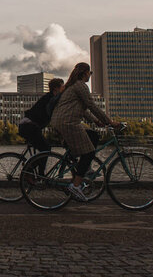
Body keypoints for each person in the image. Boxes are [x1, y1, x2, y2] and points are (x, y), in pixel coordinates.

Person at [50, 62, 120, 201]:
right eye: (90, 73)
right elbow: (91, 105)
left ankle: (83, 167)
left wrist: (96, 121)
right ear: (85, 73)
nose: (90, 75)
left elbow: (83, 110)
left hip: (61, 122)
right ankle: (75, 185)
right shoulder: (80, 86)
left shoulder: (72, 86)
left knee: (93, 136)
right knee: (88, 152)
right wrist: (109, 121)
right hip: (68, 123)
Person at [18, 78, 65, 156]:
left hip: (27, 126)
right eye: (62, 86)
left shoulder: (49, 97)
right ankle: (31, 167)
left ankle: (32, 166)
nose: (64, 89)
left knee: (44, 149)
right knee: (46, 149)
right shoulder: (51, 99)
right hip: (29, 126)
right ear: (56, 88)